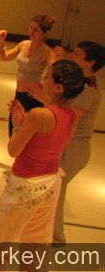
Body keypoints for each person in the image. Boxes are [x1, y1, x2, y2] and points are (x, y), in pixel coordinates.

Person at [0, 60, 85, 248]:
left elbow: (13, 150)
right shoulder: (73, 115)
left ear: (58, 87)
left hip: (26, 185)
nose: (43, 79)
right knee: (36, 242)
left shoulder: (38, 115)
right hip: (51, 183)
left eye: (47, 76)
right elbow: (50, 132)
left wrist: (17, 125)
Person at [44, 42, 103, 246]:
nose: (72, 55)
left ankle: (55, 237)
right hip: (72, 148)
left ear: (91, 62)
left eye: (77, 54)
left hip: (73, 150)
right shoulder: (83, 84)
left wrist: (45, 100)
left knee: (53, 193)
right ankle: (52, 236)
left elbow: (70, 119)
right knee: (54, 193)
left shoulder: (87, 89)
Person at [0, 15, 56, 135]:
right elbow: (4, 57)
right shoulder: (23, 44)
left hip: (32, 98)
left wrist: (43, 87)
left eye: (36, 30)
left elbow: (55, 74)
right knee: (13, 131)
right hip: (18, 94)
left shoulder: (47, 52)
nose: (31, 32)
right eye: (30, 28)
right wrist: (2, 41)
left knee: (25, 134)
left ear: (45, 33)